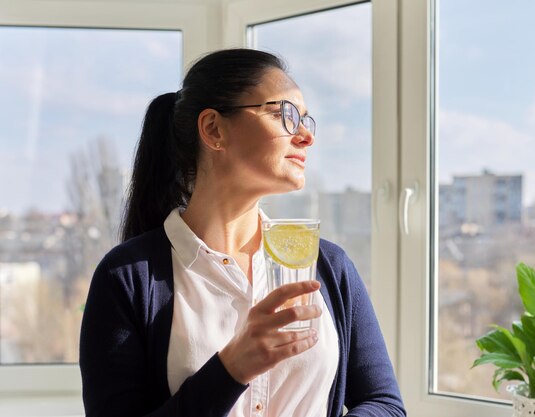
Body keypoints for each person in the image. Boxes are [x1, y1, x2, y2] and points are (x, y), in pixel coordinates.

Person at [79, 48, 406, 417]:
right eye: (284, 114)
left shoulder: (328, 265)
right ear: (214, 129)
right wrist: (232, 369)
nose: (305, 136)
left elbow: (385, 406)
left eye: (305, 119)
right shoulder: (126, 279)